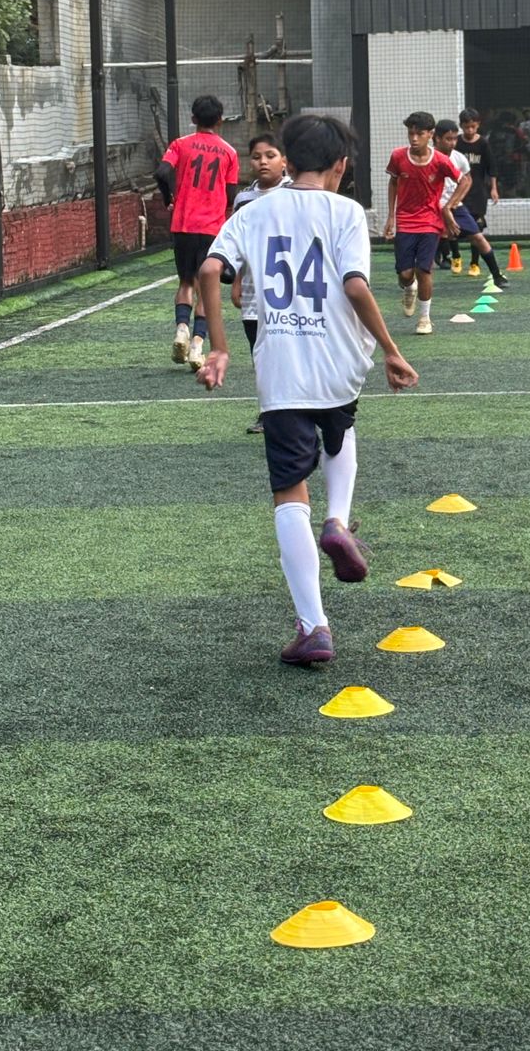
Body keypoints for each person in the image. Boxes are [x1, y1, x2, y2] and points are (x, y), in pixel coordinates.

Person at [195, 114, 419, 667]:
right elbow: (355, 285)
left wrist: (220, 347)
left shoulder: (253, 211)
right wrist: (391, 348)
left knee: (289, 489)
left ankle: (313, 626)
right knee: (341, 431)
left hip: (282, 368)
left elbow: (210, 271)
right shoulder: (346, 212)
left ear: (288, 162)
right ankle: (338, 521)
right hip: (339, 360)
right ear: (341, 165)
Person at [156, 94, 240, 370]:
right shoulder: (229, 152)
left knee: (185, 283)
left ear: (193, 119)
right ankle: (197, 347)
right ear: (220, 121)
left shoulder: (180, 144)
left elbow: (162, 172)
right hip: (212, 227)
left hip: (183, 224)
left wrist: (169, 197)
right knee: (207, 289)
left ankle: (181, 329)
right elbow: (231, 192)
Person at [230, 133, 291, 435]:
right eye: (256, 157)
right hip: (254, 294)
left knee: (289, 352)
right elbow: (236, 244)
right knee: (260, 355)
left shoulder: (296, 193)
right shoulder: (243, 199)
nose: (263, 162)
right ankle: (269, 411)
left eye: (270, 155)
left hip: (290, 293)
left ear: (284, 161)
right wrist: (236, 280)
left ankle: (296, 410)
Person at [384, 111, 460, 335]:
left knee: (423, 270)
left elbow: (464, 180)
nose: (414, 138)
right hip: (405, 221)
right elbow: (393, 182)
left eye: (419, 134)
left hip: (430, 221)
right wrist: (391, 216)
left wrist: (448, 207)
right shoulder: (398, 156)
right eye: (411, 133)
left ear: (430, 134)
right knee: (405, 274)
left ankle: (425, 318)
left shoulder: (441, 160)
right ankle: (409, 288)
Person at [433, 120, 509, 288]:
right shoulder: (428, 157)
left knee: (478, 236)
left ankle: (497, 275)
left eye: (454, 139)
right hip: (431, 208)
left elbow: (467, 180)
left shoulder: (459, 158)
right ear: (437, 138)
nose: (453, 143)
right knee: (424, 243)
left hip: (455, 206)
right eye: (448, 139)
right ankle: (414, 281)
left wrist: (452, 204)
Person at [457, 108, 500, 275]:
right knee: (453, 227)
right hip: (459, 191)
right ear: (461, 126)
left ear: (478, 125)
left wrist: (494, 188)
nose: (470, 130)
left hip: (477, 192)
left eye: (473, 127)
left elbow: (492, 167)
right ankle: (455, 256)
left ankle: (474, 263)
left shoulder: (483, 143)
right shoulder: (457, 143)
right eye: (466, 127)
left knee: (475, 227)